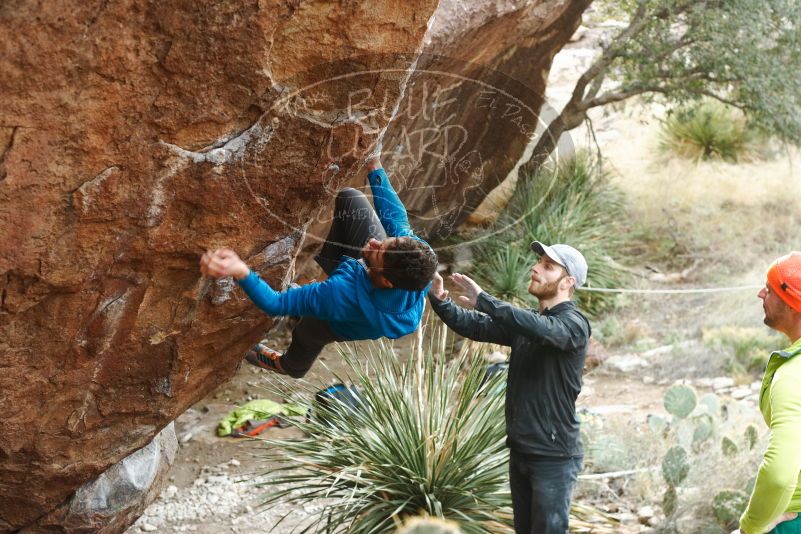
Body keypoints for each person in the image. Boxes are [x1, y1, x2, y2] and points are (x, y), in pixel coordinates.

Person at [200, 155, 437, 378]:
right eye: (388, 241)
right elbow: (397, 220)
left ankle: (291, 366)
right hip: (370, 288)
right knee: (350, 199)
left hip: (354, 312)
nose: (374, 241)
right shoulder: (416, 257)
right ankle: (318, 288)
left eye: (379, 251)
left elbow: (274, 304)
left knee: (309, 332)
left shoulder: (341, 296)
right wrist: (374, 166)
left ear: (386, 279)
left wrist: (240, 270)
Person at [428, 241, 591, 534]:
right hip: (521, 450)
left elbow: (544, 331)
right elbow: (475, 326)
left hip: (553, 456)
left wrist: (485, 300)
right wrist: (440, 299)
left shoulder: (573, 324)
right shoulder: (531, 322)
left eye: (547, 266)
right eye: (538, 262)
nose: (535, 268)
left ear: (568, 282)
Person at [734, 252, 801, 534]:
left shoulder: (793, 374)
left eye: (770, 289)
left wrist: (751, 528)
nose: (761, 294)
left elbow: (779, 474)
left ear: (793, 304)